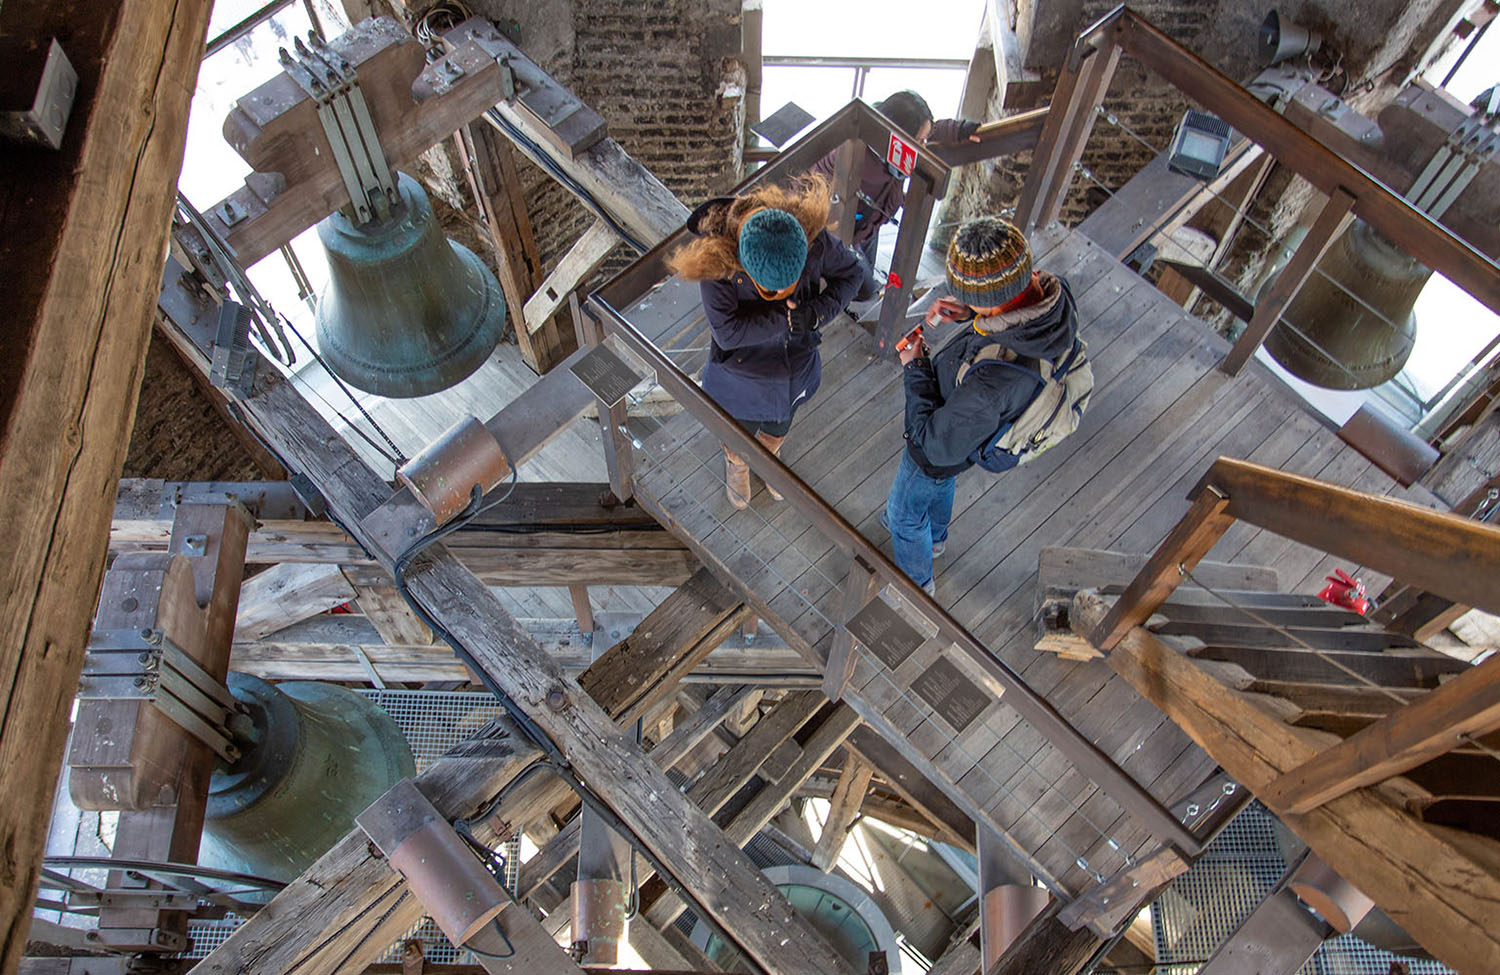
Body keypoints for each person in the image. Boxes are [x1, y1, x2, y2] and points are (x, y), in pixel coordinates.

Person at [886, 216, 1079, 593]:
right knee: (944, 480)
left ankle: (917, 587)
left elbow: (934, 444)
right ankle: (937, 538)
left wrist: (915, 366)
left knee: (903, 514)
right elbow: (1015, 315)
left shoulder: (994, 381)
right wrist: (973, 311)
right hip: (973, 432)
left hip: (948, 438)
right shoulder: (1054, 299)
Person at [669, 174, 863, 509]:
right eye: (774, 291)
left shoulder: (809, 239)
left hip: (794, 364)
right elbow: (727, 334)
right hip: (741, 372)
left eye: (795, 282)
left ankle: (769, 458)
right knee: (737, 429)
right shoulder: (719, 266)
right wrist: (785, 318)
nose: (788, 293)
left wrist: (815, 312)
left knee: (780, 422)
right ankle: (738, 463)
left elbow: (853, 274)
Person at [812, 90, 979, 300]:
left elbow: (929, 131)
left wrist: (959, 130)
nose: (923, 148)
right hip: (841, 228)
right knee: (863, 289)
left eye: (924, 140)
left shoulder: (883, 129)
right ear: (898, 138)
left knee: (865, 272)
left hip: (869, 222)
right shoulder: (854, 160)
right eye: (920, 141)